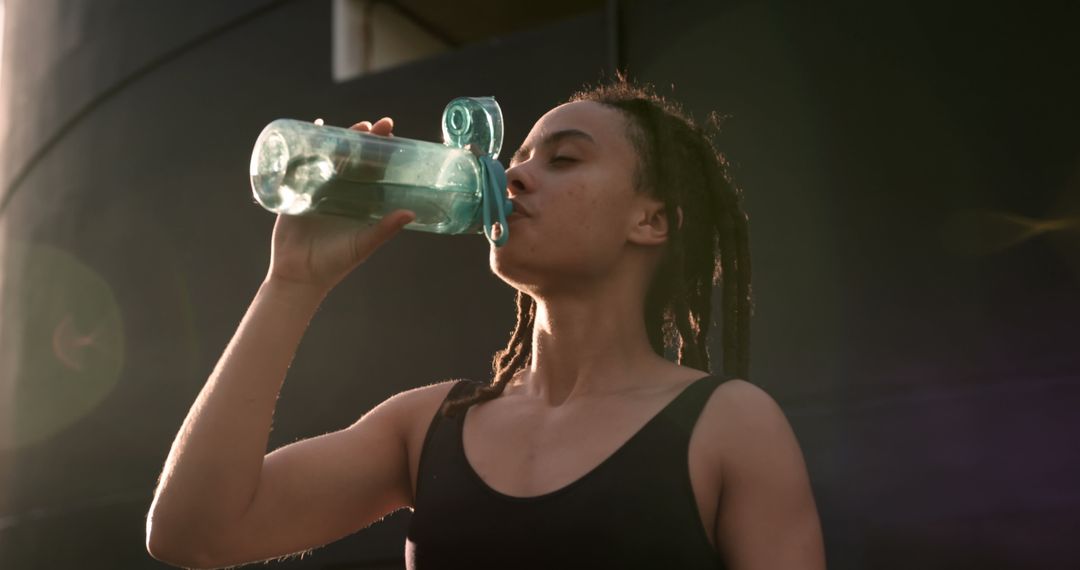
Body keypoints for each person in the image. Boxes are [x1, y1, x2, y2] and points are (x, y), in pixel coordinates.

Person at [146, 78, 825, 569]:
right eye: (519, 157)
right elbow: (192, 532)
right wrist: (291, 281)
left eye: (562, 159)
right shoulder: (426, 428)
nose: (515, 175)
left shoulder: (729, 427)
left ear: (650, 221)